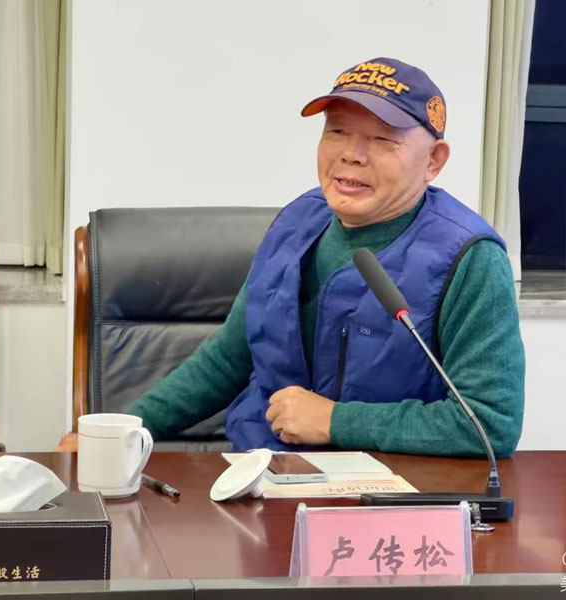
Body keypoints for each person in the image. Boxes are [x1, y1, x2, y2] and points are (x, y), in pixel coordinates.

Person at [58, 57, 525, 457]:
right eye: (337, 132)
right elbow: (228, 359)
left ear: (434, 161)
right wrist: (123, 432)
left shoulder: (469, 259)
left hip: (386, 492)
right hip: (262, 471)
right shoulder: (298, 221)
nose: (352, 155)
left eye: (383, 140)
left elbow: (490, 424)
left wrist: (337, 421)